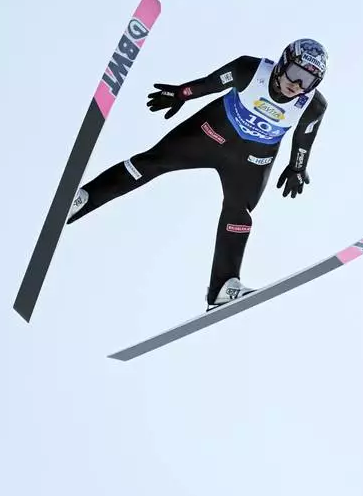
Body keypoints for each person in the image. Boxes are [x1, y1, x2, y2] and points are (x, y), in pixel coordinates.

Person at [65, 38, 329, 310]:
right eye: (296, 74)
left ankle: (223, 287)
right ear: (283, 63)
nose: (297, 85)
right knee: (153, 162)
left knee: (239, 213)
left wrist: (297, 167)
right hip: (211, 133)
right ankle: (83, 198)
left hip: (252, 160)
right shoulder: (250, 70)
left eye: (307, 82)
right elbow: (210, 83)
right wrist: (181, 94)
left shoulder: (312, 106)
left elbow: (304, 139)